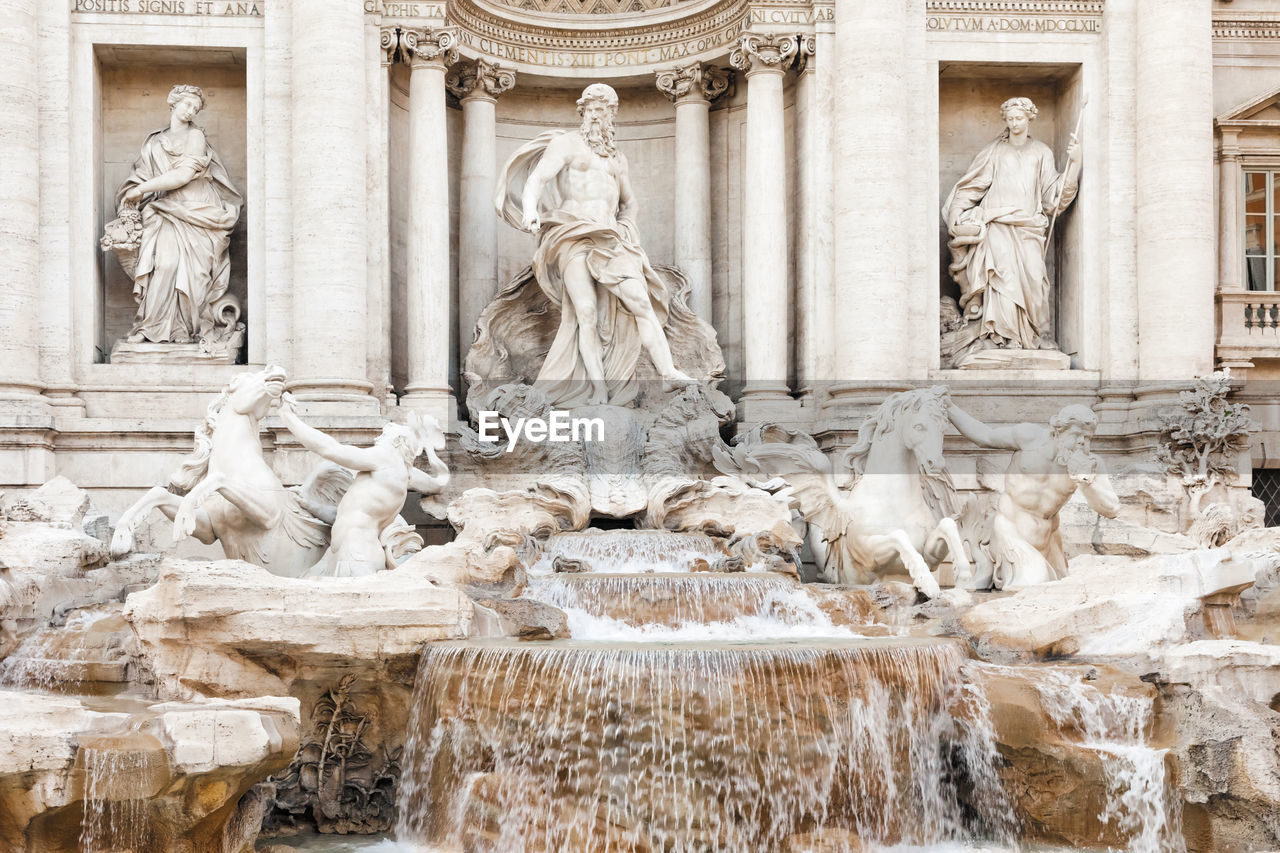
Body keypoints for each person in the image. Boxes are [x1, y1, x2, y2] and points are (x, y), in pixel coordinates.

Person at [495, 83, 692, 407]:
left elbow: (630, 203)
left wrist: (627, 227)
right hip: (573, 234)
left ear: (612, 116)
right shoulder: (566, 144)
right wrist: (530, 210)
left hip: (611, 239)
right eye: (594, 108)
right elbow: (537, 179)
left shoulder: (617, 158)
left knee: (641, 302)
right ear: (583, 111)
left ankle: (668, 372)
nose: (599, 115)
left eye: (606, 109)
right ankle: (598, 391)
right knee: (585, 312)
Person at [944, 97, 1081, 353]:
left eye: (1019, 118)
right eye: (1010, 119)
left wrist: (1074, 164)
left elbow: (1054, 196)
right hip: (997, 224)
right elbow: (973, 186)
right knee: (1001, 279)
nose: (1014, 123)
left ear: (1030, 118)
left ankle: (1037, 335)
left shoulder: (1041, 152)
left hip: (1029, 226)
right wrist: (956, 210)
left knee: (1034, 278)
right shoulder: (995, 151)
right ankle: (1001, 338)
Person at [116, 84, 241, 344]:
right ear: (173, 103)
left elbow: (183, 175)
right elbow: (141, 174)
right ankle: (150, 327)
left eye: (196, 108)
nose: (191, 110)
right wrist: (134, 192)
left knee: (194, 275)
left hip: (196, 210)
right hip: (165, 211)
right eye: (187, 104)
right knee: (164, 265)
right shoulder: (153, 142)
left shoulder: (196, 137)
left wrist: (141, 189)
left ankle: (185, 329)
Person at [946, 401, 1119, 589]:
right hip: (1010, 533)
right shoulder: (1029, 438)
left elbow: (1112, 509)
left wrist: (1087, 482)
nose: (1081, 442)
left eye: (1087, 437)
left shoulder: (1091, 464)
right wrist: (949, 407)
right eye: (1076, 434)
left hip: (1049, 542)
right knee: (1033, 586)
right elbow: (984, 436)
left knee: (1060, 593)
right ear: (1058, 431)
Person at [278, 395, 450, 577]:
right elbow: (439, 484)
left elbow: (330, 449)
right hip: (346, 553)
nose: (377, 439)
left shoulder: (385, 457)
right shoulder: (405, 473)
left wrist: (289, 419)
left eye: (384, 436)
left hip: (355, 554)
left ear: (397, 441)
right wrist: (311, 506)